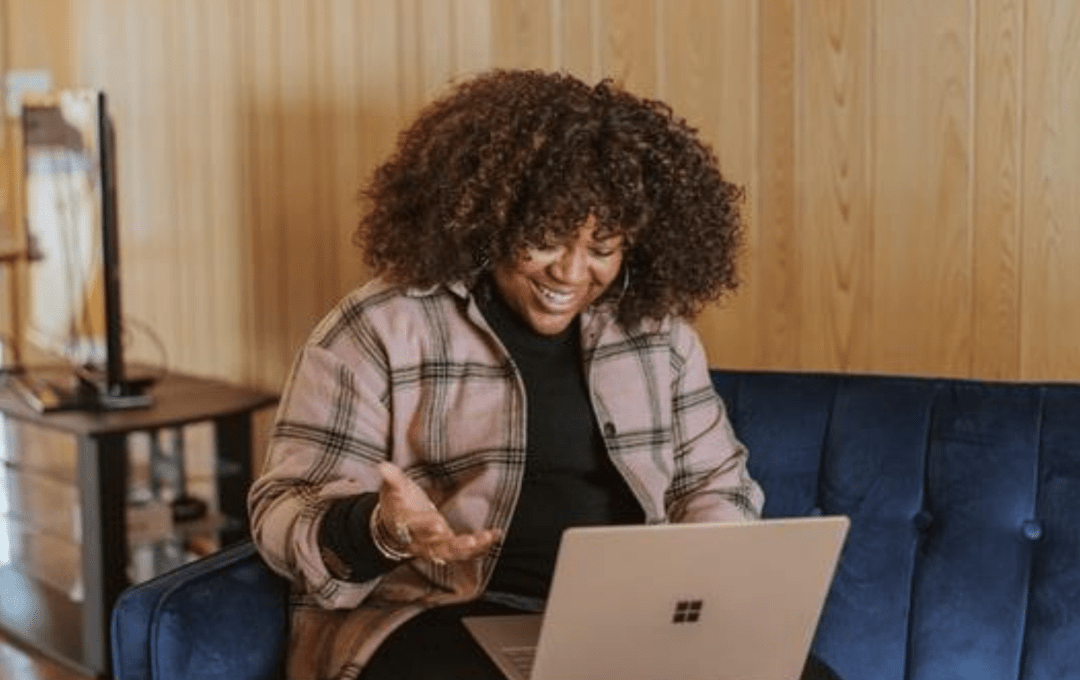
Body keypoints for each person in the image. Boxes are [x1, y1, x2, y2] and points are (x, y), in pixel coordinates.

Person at [248, 68, 839, 680]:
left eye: (603, 247)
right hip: (436, 613)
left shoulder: (658, 338)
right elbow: (282, 510)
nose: (571, 273)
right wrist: (379, 530)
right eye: (547, 240)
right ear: (490, 219)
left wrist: (701, 577)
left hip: (624, 623)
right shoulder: (380, 327)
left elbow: (714, 483)